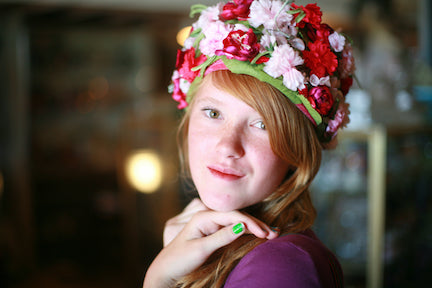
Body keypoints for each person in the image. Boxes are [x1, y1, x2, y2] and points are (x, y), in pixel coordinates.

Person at [143, 0, 356, 287]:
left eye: (262, 124)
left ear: (296, 150)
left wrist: (157, 279)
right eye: (213, 113)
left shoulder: (279, 267)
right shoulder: (219, 247)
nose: (228, 146)